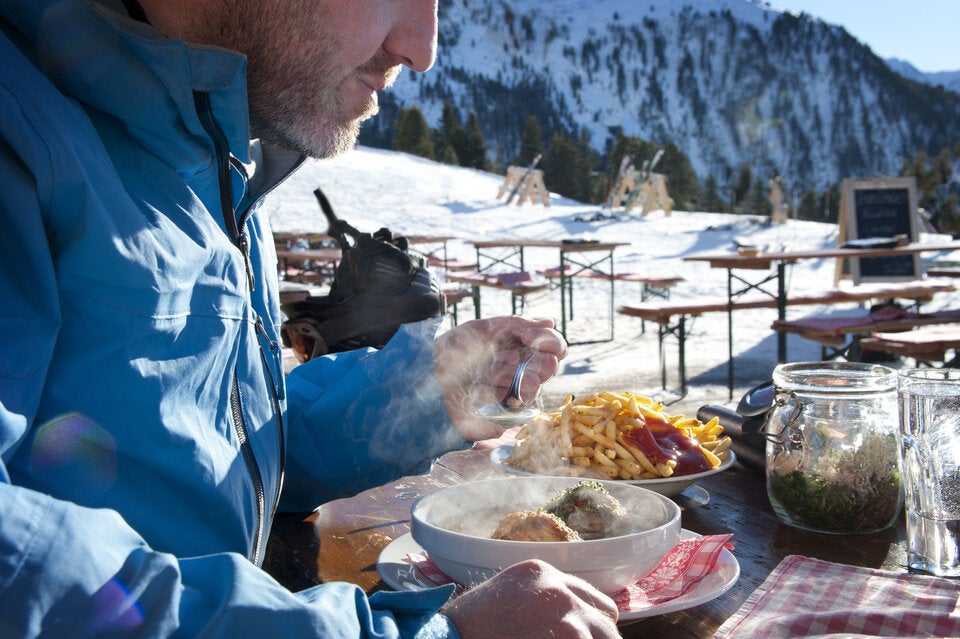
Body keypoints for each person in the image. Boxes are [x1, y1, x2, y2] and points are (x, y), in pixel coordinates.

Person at [0, 0, 622, 637]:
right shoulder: (20, 132)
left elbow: (224, 444)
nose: (421, 48)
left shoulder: (212, 153)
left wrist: (427, 393)